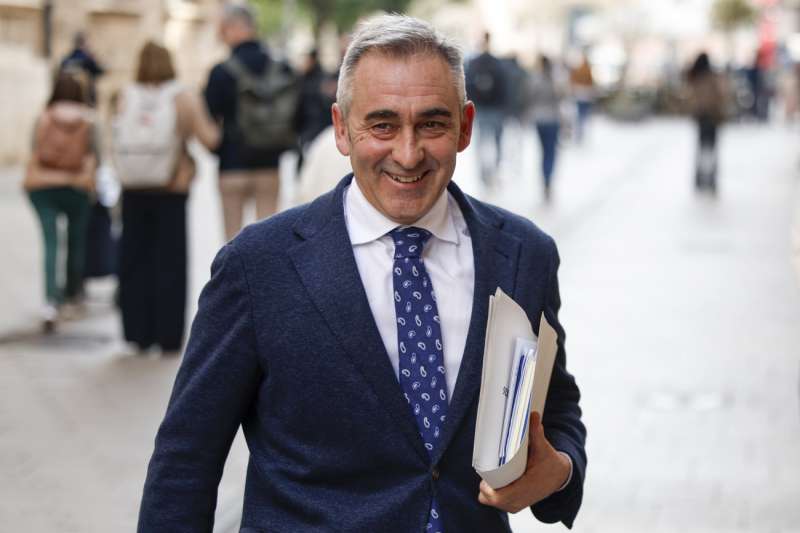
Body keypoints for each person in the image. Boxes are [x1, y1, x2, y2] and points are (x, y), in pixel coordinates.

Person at [138, 14, 585, 532]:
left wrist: (559, 472)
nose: (408, 154)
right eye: (383, 125)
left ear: (465, 126)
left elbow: (554, 409)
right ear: (341, 128)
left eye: (432, 124)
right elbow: (186, 459)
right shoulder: (258, 266)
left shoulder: (523, 254)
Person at [112, 41, 219, 355]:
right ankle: (168, 335)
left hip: (133, 188)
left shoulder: (125, 95)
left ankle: (137, 333)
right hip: (171, 188)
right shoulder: (182, 96)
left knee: (135, 260)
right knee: (170, 262)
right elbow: (209, 139)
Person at [204, 3, 296, 241]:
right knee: (268, 240)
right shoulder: (282, 67)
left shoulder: (220, 72)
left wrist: (216, 148)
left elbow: (209, 120)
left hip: (232, 164)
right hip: (270, 164)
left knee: (232, 243)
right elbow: (297, 112)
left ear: (233, 28)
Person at [24, 73, 97, 331]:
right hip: (76, 186)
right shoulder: (88, 120)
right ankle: (72, 295)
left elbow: (34, 150)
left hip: (43, 187)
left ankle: (49, 300)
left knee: (50, 243)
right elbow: (95, 156)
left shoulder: (43, 117)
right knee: (75, 242)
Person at [465, 32, 507, 186]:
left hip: (480, 108)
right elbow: (504, 87)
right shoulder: (498, 63)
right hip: (495, 108)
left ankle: (484, 174)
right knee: (497, 141)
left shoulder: (474, 63)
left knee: (481, 142)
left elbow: (467, 86)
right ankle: (494, 171)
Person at [525, 54, 564, 201]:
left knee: (543, 151)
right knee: (550, 151)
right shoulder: (556, 79)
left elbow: (529, 97)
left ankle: (545, 177)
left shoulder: (534, 79)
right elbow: (562, 96)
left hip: (539, 119)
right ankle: (547, 178)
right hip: (552, 119)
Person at [687, 52, 726, 194]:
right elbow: (720, 95)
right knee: (711, 149)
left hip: (701, 116)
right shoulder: (711, 77)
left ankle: (700, 180)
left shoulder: (694, 76)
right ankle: (710, 180)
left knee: (702, 149)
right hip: (711, 116)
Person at [60, 32, 105, 107]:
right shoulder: (88, 60)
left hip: (68, 98)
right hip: (86, 97)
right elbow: (99, 71)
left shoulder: (67, 59)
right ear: (85, 43)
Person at [569, 52, 594, 143]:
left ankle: (579, 133)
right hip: (584, 96)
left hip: (581, 96)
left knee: (580, 116)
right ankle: (579, 133)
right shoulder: (585, 70)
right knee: (582, 116)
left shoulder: (583, 70)